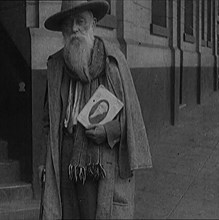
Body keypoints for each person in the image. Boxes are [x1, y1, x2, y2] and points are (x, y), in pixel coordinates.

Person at [39, 0, 152, 219]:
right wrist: (42, 162)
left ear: (94, 23)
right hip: (63, 159)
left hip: (100, 162)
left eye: (80, 21)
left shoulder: (113, 64)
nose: (74, 29)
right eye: (68, 24)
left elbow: (132, 123)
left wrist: (108, 131)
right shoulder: (56, 67)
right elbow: (48, 121)